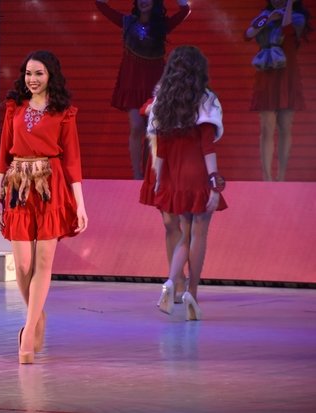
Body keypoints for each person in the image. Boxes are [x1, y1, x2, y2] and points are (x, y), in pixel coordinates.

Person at [0, 50, 88, 364]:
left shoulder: (64, 112)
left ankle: (28, 333)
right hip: (18, 185)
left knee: (44, 262)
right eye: (28, 73)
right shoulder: (15, 107)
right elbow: (3, 154)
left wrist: (80, 204)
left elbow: (72, 160)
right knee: (23, 265)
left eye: (39, 74)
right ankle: (39, 316)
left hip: (51, 185)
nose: (32, 79)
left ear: (51, 76)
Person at [147, 45, 227, 321]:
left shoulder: (164, 102)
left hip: (176, 176)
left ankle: (171, 282)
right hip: (198, 174)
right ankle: (192, 291)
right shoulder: (205, 100)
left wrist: (159, 180)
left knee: (184, 234)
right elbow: (207, 146)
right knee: (198, 235)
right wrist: (215, 183)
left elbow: (161, 150)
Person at [95, 0, 190, 179]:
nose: (144, 1)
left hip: (155, 84)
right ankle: (137, 175)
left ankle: (151, 174)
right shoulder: (127, 22)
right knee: (137, 126)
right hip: (132, 81)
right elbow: (102, 6)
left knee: (153, 130)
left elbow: (185, 11)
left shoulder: (161, 26)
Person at [245, 0, 311, 181]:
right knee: (267, 127)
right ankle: (267, 177)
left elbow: (287, 29)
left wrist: (288, 6)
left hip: (287, 74)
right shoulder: (264, 16)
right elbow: (249, 33)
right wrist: (267, 19)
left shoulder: (298, 17)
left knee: (285, 127)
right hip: (267, 74)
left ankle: (281, 176)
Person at [139, 86, 188, 305]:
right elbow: (145, 109)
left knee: (185, 224)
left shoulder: (195, 98)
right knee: (169, 223)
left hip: (182, 161)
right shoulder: (160, 99)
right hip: (160, 162)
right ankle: (178, 279)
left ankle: (185, 280)